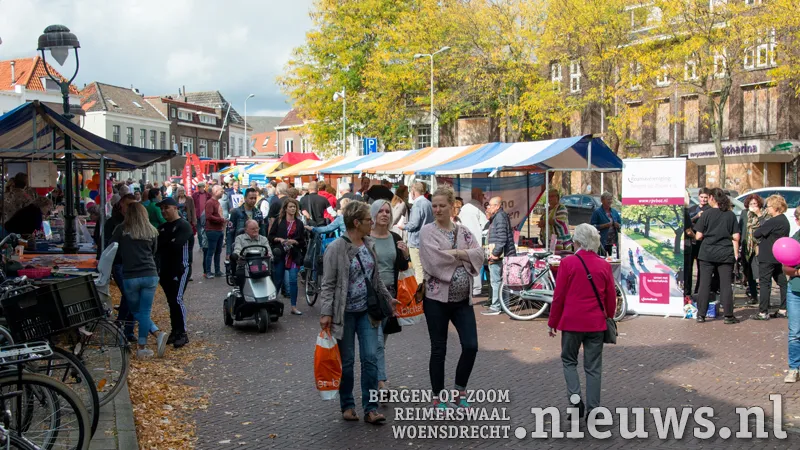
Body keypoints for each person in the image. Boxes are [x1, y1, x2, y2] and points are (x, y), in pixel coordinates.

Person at [319, 201, 395, 424]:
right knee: (349, 361)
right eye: (367, 220)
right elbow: (328, 284)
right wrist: (326, 313)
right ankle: (348, 404)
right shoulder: (336, 248)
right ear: (356, 223)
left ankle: (370, 408)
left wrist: (389, 299)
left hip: (367, 312)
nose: (371, 222)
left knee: (370, 358)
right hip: (345, 314)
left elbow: (375, 278)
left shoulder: (368, 243)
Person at [419, 187, 484, 409]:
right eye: (434, 206)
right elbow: (433, 261)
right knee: (439, 348)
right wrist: (464, 256)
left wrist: (457, 254)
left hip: (462, 301)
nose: (437, 209)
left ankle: (460, 390)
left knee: (471, 345)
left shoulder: (464, 231)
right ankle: (437, 395)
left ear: (451, 206)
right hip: (436, 300)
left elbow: (479, 253)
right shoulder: (427, 232)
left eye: (441, 206)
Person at [547, 224, 616, 419]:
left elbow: (559, 296)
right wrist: (608, 316)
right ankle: (594, 409)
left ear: (576, 241)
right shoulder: (604, 265)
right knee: (593, 367)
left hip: (571, 323)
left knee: (569, 361)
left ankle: (576, 401)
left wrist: (553, 321)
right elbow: (611, 298)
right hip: (596, 324)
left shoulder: (568, 263)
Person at [110, 202, 167, 359]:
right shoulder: (151, 231)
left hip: (130, 275)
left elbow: (112, 248)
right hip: (150, 273)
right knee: (145, 311)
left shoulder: (121, 230)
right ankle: (148, 342)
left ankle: (152, 338)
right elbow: (154, 251)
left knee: (136, 311)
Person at [369, 200, 410, 392]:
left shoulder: (394, 237)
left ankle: (374, 376)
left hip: (391, 295)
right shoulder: (366, 237)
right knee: (376, 341)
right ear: (373, 214)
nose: (384, 214)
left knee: (381, 342)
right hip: (372, 295)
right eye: (380, 211)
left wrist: (406, 254)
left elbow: (401, 267)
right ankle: (381, 383)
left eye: (387, 211)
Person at [694, 188, 740, 324]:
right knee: (725, 284)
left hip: (707, 252)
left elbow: (698, 235)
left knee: (704, 284)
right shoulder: (730, 215)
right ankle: (728, 315)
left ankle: (701, 315)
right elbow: (736, 237)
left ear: (712, 198)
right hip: (725, 253)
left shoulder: (706, 214)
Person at [156, 198, 192, 349]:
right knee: (171, 301)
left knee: (177, 299)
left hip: (180, 268)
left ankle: (183, 333)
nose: (164, 211)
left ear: (175, 208)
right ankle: (175, 330)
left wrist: (166, 244)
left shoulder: (183, 226)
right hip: (165, 270)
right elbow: (158, 247)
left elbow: (175, 246)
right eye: (162, 209)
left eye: (167, 208)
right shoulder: (162, 227)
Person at [752, 195, 790, 320]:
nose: (766, 209)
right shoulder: (784, 220)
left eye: (768, 207)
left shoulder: (773, 221)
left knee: (765, 283)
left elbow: (757, 233)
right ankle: (783, 309)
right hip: (779, 256)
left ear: (775, 207)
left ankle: (763, 312)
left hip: (767, 256)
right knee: (782, 282)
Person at [269, 198, 306, 315]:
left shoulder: (299, 223)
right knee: (278, 280)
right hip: (281, 254)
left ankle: (294, 306)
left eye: (294, 207)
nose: (293, 209)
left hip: (293, 255)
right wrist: (279, 239)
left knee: (293, 281)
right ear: (285, 208)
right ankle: (272, 304)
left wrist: (294, 242)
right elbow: (270, 236)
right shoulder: (279, 221)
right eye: (290, 206)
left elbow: (302, 242)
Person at [483, 196, 517, 315]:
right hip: (503, 254)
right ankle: (504, 305)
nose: (488, 207)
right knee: (502, 281)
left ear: (497, 206)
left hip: (500, 255)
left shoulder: (500, 217)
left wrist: (495, 253)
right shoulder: (498, 217)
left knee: (496, 281)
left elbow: (501, 238)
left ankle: (496, 306)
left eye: (490, 205)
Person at [399, 181, 433, 284]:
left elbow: (414, 223)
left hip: (416, 242)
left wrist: (403, 226)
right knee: (425, 270)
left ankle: (420, 296)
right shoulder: (429, 203)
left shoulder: (417, 204)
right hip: (427, 241)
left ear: (413, 192)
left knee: (418, 270)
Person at [458, 187, 489, 296]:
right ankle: (476, 289)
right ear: (477, 196)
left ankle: (468, 288)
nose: (483, 198)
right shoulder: (478, 209)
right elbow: (486, 227)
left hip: (463, 242)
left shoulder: (464, 208)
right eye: (482, 196)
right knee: (475, 266)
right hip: (476, 242)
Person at [782, 208, 800, 383]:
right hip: (796, 291)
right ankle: (794, 368)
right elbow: (785, 268)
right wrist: (797, 271)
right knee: (795, 333)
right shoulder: (795, 241)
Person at [739, 194, 766, 305]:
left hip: (759, 246)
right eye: (751, 204)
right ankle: (753, 295)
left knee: (760, 272)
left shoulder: (763, 214)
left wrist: (758, 214)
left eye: (755, 204)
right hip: (747, 247)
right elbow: (741, 228)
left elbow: (764, 227)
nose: (753, 206)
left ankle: (765, 298)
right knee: (749, 272)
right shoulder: (744, 213)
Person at [227, 188, 266, 257]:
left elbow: (262, 232)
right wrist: (228, 253)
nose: (253, 200)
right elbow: (230, 233)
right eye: (251, 198)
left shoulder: (259, 213)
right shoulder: (236, 212)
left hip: (256, 247)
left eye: (255, 198)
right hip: (239, 247)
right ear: (245, 198)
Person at [689, 188, 712, 295]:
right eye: (701, 197)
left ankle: (698, 291)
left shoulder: (710, 210)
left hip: (702, 241)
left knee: (701, 268)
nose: (703, 199)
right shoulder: (692, 208)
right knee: (689, 268)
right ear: (698, 197)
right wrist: (696, 216)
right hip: (691, 241)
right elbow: (687, 222)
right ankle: (687, 291)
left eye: (705, 197)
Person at [204, 185, 227, 279]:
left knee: (218, 252)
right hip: (212, 230)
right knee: (211, 252)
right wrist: (221, 220)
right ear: (216, 191)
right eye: (221, 191)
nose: (222, 192)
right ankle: (208, 271)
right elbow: (208, 216)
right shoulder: (210, 202)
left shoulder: (216, 202)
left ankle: (217, 270)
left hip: (219, 229)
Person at [175, 187, 197, 281]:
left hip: (187, 223)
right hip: (178, 224)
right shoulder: (174, 199)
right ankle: (178, 271)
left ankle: (189, 273)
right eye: (179, 191)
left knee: (188, 249)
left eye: (182, 191)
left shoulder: (189, 199)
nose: (181, 193)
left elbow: (192, 210)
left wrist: (194, 220)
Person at [590, 192, 621, 258]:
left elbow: (621, 225)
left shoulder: (614, 212)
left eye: (611, 199)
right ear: (602, 200)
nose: (610, 201)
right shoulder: (597, 212)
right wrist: (604, 226)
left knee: (614, 261)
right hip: (602, 242)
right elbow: (592, 227)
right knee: (600, 261)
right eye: (608, 199)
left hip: (613, 243)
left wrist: (618, 225)